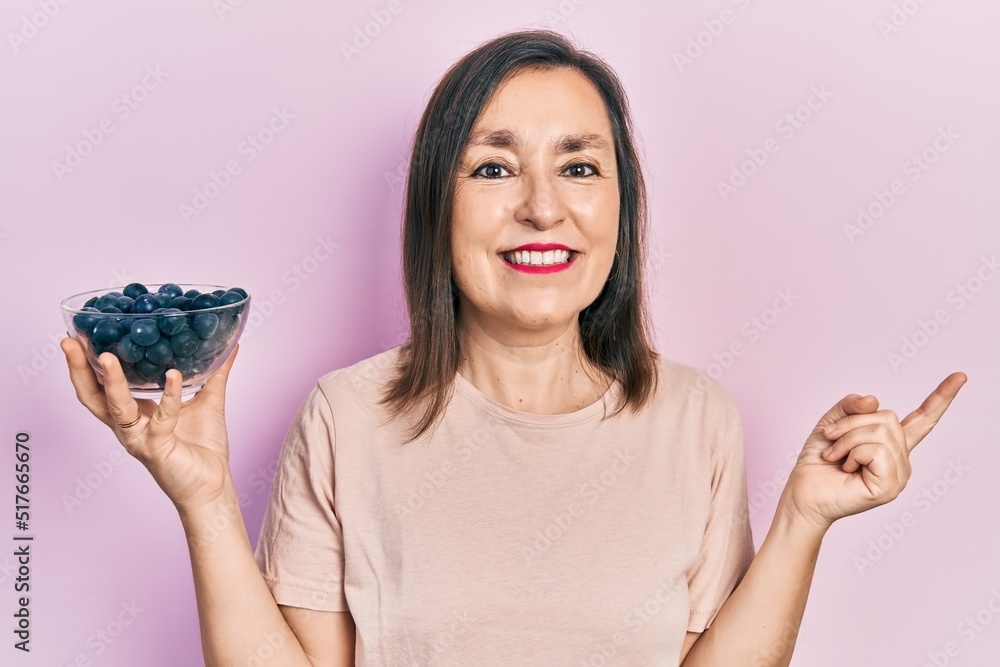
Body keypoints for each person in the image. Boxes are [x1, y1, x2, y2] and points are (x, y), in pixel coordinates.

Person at [61, 29, 966, 667]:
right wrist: (207, 499)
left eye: (579, 166)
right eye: (493, 166)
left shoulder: (696, 419)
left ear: (620, 207)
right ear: (437, 207)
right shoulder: (346, 416)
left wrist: (803, 519)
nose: (542, 206)